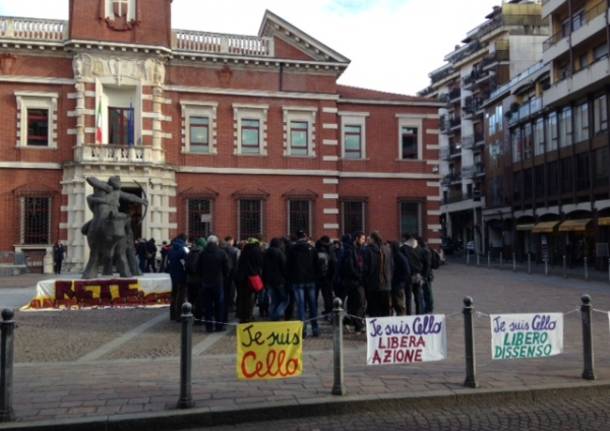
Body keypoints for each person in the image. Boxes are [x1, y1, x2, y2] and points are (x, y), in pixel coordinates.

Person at [286, 231, 320, 337]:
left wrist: (290, 279)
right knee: (312, 305)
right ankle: (315, 328)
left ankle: (302, 330)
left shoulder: (292, 249)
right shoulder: (312, 249)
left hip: (297, 281)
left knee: (301, 306)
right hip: (310, 280)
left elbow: (288, 266)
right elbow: (317, 265)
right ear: (305, 237)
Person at [198, 235, 229, 332]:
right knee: (219, 305)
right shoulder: (221, 253)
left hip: (206, 282)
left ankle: (209, 326)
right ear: (216, 242)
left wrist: (202, 277)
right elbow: (227, 268)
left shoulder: (203, 253)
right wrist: (224, 276)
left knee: (208, 306)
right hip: (218, 282)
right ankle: (219, 326)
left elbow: (198, 268)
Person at [363, 231, 393, 318]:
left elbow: (367, 268)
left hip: (373, 285)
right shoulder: (387, 249)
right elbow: (392, 265)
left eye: (369, 237)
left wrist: (366, 280)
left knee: (374, 310)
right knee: (385, 310)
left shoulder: (368, 250)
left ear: (373, 239)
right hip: (386, 284)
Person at [340, 232, 366, 332]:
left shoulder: (360, 250)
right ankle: (357, 324)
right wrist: (359, 275)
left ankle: (354, 322)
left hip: (357, 280)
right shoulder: (351, 251)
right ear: (357, 238)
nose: (363, 241)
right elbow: (350, 266)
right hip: (354, 281)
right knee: (359, 302)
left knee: (356, 303)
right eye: (362, 239)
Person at [235, 237, 263, 323]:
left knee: (242, 297)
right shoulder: (256, 251)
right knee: (250, 298)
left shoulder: (244, 251)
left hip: (241, 277)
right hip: (251, 277)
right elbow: (259, 263)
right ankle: (248, 316)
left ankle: (241, 316)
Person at [262, 238, 288, 321]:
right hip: (279, 280)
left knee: (274, 300)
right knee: (285, 299)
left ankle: (272, 316)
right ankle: (278, 313)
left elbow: (263, 267)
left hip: (269, 280)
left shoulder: (265, 253)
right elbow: (284, 267)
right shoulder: (280, 253)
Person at [167, 234, 189, 321]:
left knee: (174, 294)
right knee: (181, 296)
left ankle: (172, 314)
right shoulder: (184, 249)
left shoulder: (171, 249)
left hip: (173, 274)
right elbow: (187, 261)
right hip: (182, 275)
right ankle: (179, 315)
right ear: (185, 240)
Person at [401, 234, 425, 315]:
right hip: (418, 275)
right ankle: (419, 314)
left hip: (409, 275)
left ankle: (409, 314)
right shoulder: (420, 249)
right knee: (418, 297)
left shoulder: (404, 248)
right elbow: (424, 262)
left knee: (408, 297)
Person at [315, 236, 336, 317]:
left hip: (321, 276)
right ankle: (328, 311)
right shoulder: (331, 249)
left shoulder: (319, 250)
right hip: (328, 276)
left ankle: (327, 311)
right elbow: (334, 263)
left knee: (325, 295)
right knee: (328, 295)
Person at [185, 238, 206, 321]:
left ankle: (189, 315)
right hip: (199, 280)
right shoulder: (201, 253)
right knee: (199, 300)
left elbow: (186, 265)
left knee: (191, 299)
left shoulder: (190, 252)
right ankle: (198, 318)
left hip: (190, 280)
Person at [390, 241, 409, 316]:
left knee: (399, 304)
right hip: (395, 284)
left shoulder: (399, 256)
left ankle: (401, 319)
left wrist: (401, 280)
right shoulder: (396, 256)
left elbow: (406, 271)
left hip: (398, 284)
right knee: (396, 304)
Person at [222, 236, 240, 318]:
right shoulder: (233, 250)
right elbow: (235, 263)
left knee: (224, 291)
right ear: (230, 240)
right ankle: (230, 305)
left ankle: (226, 305)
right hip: (231, 273)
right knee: (231, 291)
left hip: (223, 274)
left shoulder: (222, 249)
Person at [418, 237, 434, 314]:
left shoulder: (425, 251)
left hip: (426, 276)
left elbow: (427, 265)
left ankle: (429, 309)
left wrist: (424, 276)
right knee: (426, 292)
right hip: (427, 275)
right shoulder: (426, 250)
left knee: (427, 293)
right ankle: (427, 308)